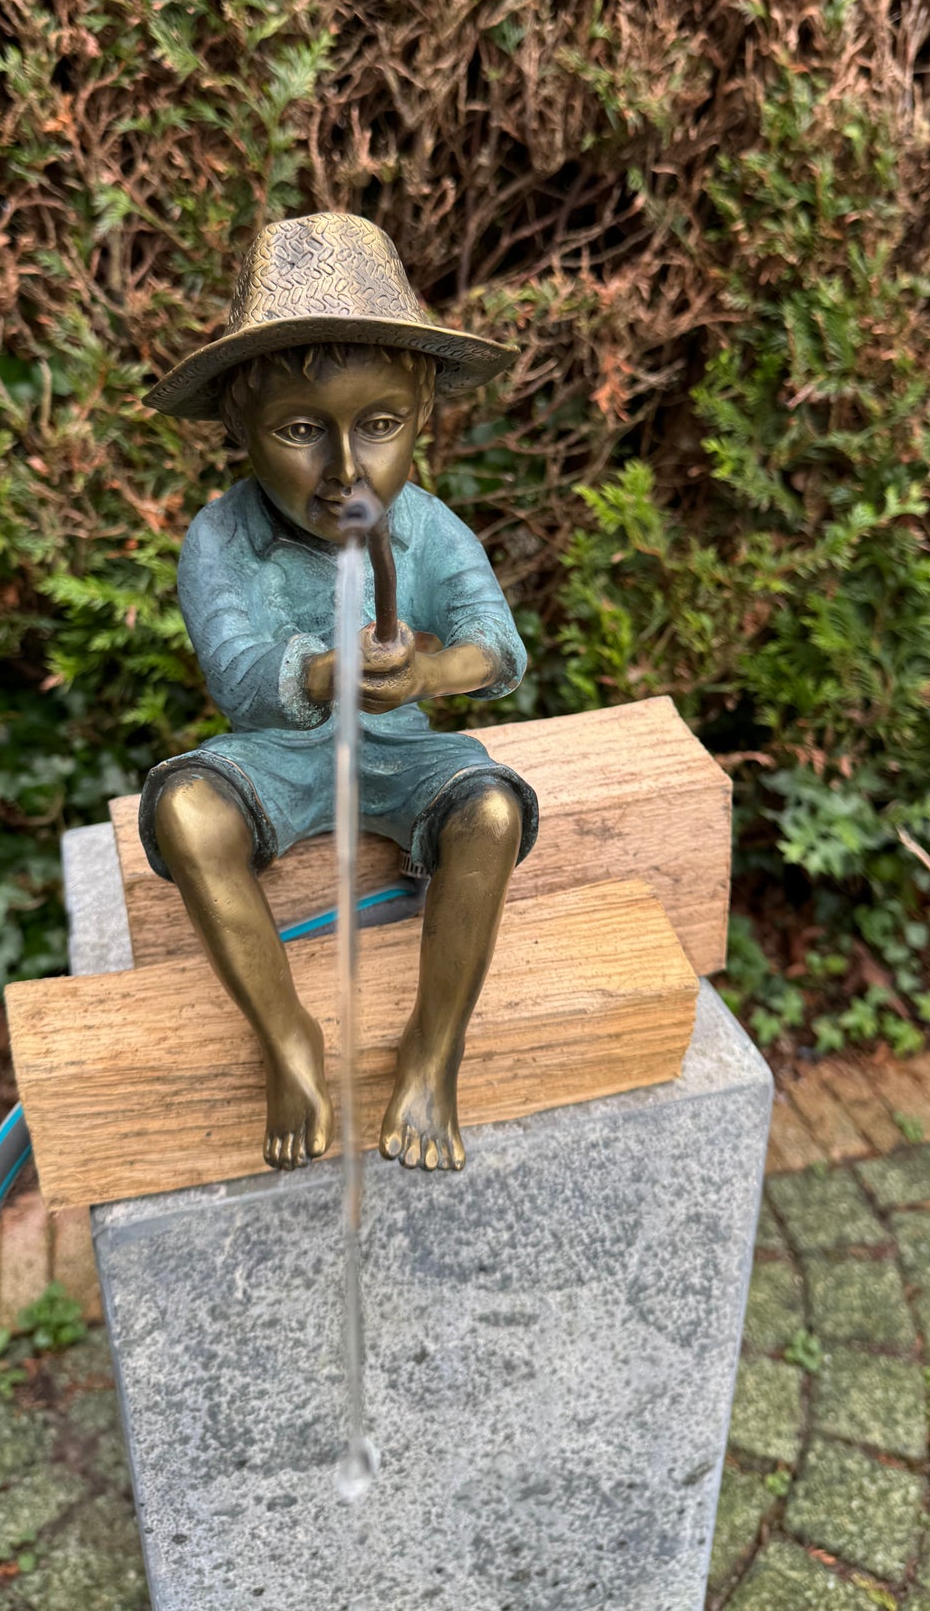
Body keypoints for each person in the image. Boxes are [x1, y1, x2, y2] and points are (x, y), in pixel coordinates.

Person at [139, 213, 538, 1172]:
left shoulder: (428, 528)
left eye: (381, 425)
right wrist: (324, 671)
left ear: (424, 415)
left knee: (487, 810)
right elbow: (237, 671)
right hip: (278, 753)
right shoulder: (220, 539)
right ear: (239, 427)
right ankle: (289, 1042)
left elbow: (499, 644)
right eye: (301, 431)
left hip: (401, 747)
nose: (347, 470)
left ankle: (431, 1053)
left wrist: (433, 672)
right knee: (189, 815)